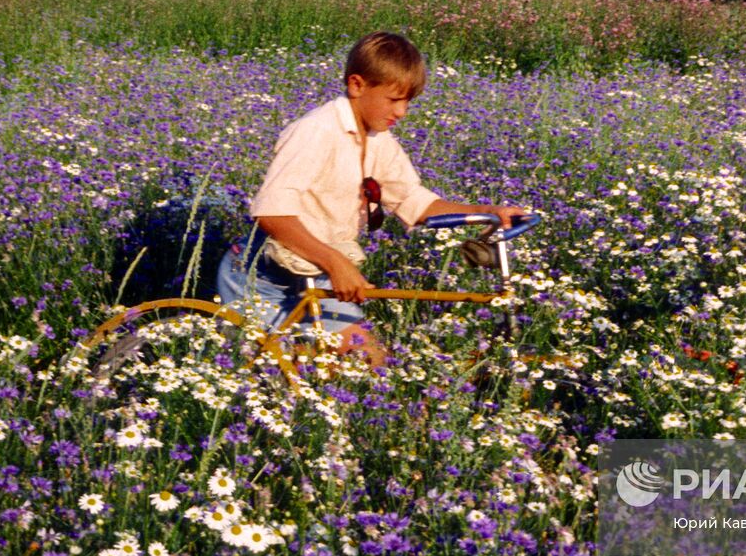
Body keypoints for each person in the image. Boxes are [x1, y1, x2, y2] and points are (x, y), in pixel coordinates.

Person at [216, 31, 524, 367]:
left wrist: (488, 213)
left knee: (369, 362)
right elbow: (271, 214)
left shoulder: (378, 140)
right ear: (357, 85)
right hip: (261, 276)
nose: (403, 112)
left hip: (315, 269)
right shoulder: (316, 131)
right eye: (394, 100)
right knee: (273, 372)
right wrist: (337, 263)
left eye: (409, 101)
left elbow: (415, 201)